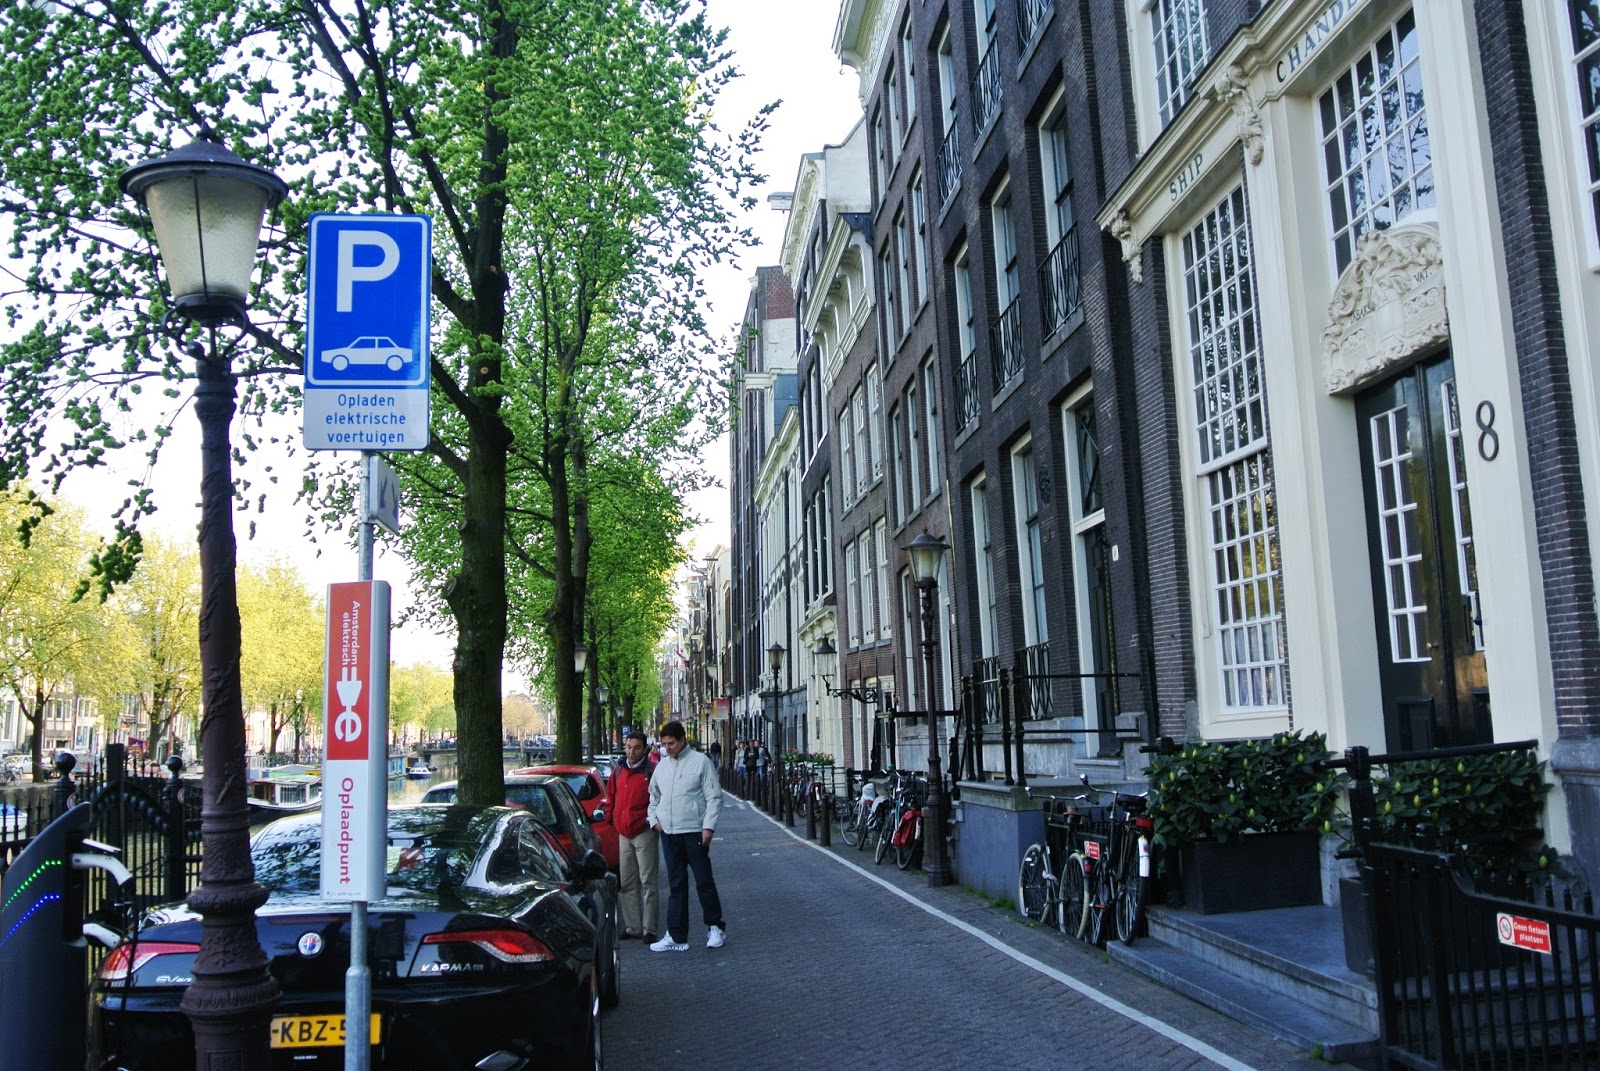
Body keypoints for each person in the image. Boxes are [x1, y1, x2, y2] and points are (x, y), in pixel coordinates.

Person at [647, 720, 725, 951]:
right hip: (669, 833)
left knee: (704, 881)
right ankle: (676, 935)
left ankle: (715, 927)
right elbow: (653, 796)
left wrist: (708, 827)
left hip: (693, 831)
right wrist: (655, 821)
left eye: (671, 743)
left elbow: (714, 796)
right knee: (676, 885)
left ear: (682, 741)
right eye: (664, 744)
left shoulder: (701, 762)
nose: (667, 748)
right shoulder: (662, 767)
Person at [608, 731, 659, 941]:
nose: (631, 752)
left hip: (644, 832)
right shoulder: (618, 771)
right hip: (624, 834)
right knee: (627, 882)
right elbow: (611, 796)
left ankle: (649, 929)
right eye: (629, 747)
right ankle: (633, 927)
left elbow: (659, 799)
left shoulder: (652, 772)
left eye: (636, 748)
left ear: (645, 750)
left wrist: (649, 820)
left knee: (648, 882)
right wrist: (613, 819)